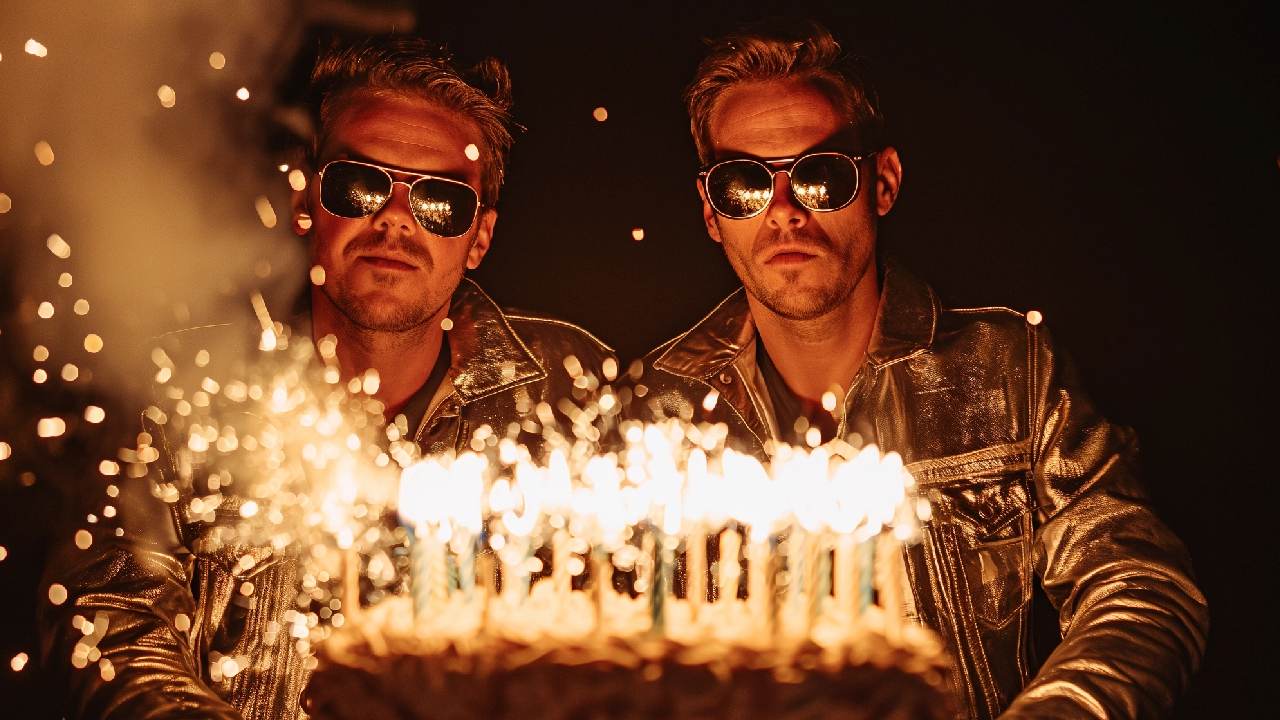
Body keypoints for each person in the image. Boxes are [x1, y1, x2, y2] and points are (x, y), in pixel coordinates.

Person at [634, 21, 1208, 719]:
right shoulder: (659, 413)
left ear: (883, 182)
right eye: (744, 184)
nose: (783, 212)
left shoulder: (1008, 371)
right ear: (710, 212)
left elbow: (1139, 586)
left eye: (820, 175)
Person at [40, 37, 613, 720]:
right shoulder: (173, 397)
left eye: (441, 202)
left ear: (480, 237)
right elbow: (114, 630)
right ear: (305, 200)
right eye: (360, 185)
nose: (395, 218)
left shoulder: (564, 394)